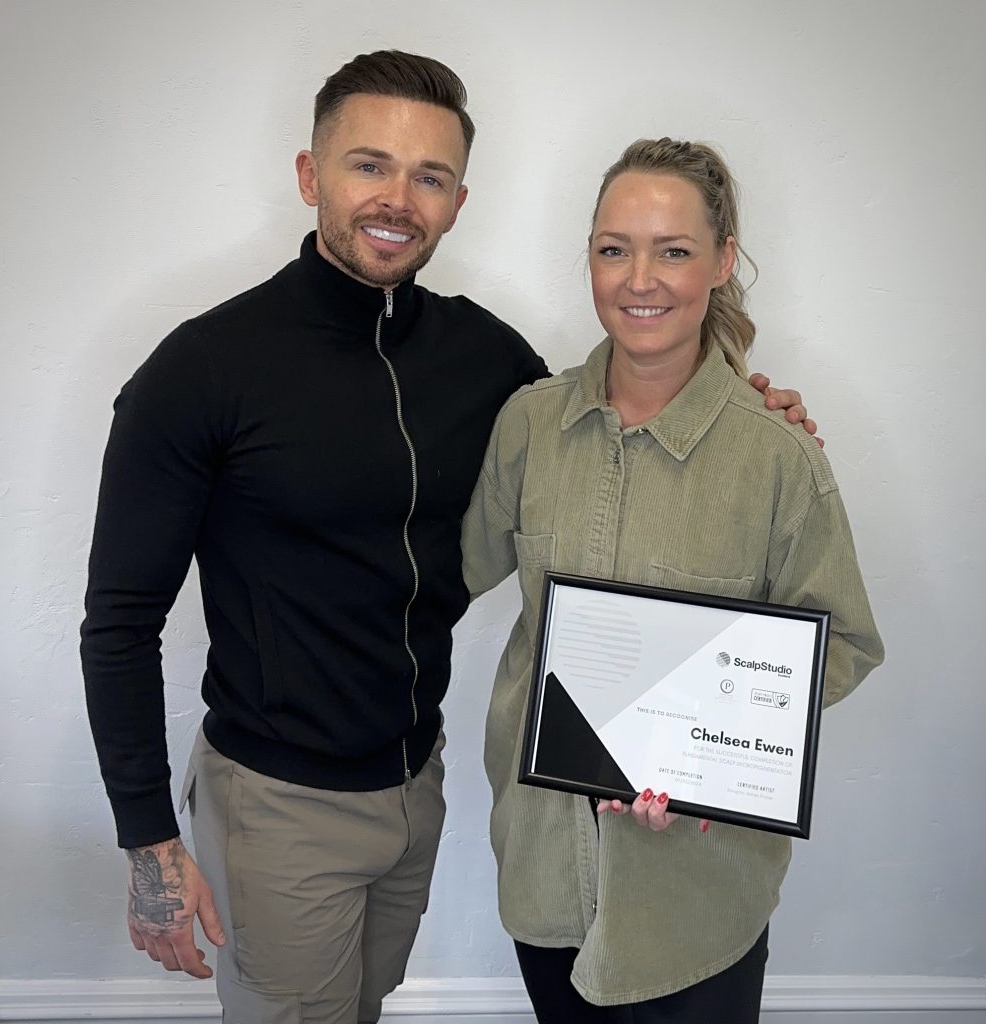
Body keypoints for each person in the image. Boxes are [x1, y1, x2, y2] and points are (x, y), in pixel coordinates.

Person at [80, 51, 816, 1024]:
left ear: (458, 202)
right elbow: (119, 622)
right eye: (368, 165)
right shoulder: (203, 369)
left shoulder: (485, 358)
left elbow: (606, 428)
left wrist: (741, 411)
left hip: (413, 788)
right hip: (277, 802)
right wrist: (148, 844)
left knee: (363, 1006)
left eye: (429, 176)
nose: (398, 198)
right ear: (309, 174)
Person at [461, 138, 884, 1023]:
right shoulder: (529, 425)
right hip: (544, 869)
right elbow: (443, 575)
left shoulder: (777, 457)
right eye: (614, 249)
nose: (640, 280)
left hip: (695, 897)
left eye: (674, 250)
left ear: (723, 262)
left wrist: (706, 758)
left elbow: (841, 643)